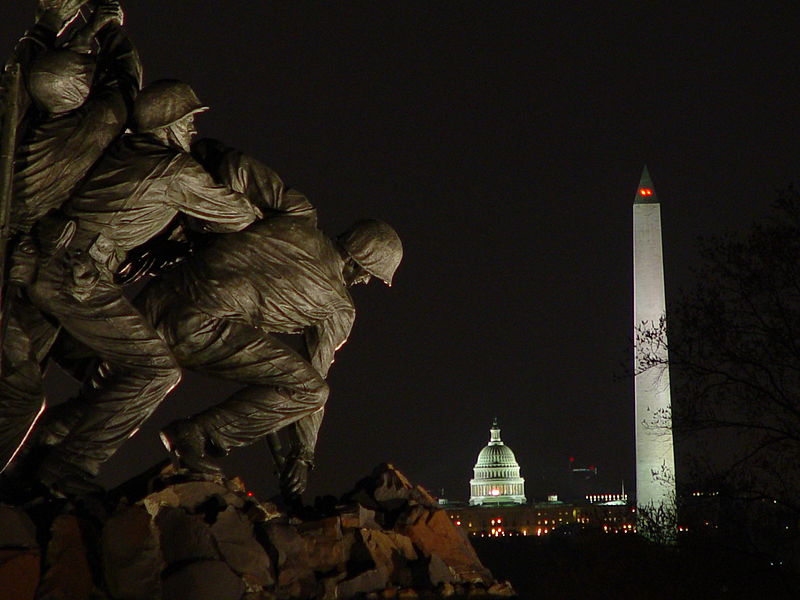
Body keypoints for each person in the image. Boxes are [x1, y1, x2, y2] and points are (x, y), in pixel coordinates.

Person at [25, 80, 262, 496]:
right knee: (156, 370)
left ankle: (40, 454)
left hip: (56, 264)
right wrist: (251, 200)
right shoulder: (175, 170)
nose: (192, 131)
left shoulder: (123, 150)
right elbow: (237, 216)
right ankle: (68, 465)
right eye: (188, 122)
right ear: (168, 125)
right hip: (77, 278)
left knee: (107, 375)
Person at [134, 140, 402, 497]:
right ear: (360, 263)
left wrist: (196, 148)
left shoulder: (298, 214)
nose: (366, 282)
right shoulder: (339, 307)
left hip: (152, 299)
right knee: (310, 389)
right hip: (195, 328)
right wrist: (302, 455)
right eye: (369, 274)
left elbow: (238, 165)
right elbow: (311, 383)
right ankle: (194, 434)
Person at [0, 0, 141, 474]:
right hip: (16, 269)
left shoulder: (15, 122)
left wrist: (50, 24)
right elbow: (125, 86)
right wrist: (109, 29)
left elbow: (18, 76)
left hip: (19, 261)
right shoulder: (86, 131)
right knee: (20, 396)